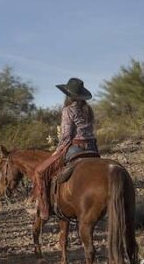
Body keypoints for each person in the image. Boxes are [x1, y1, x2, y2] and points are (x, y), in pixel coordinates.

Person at [35, 77, 98, 220]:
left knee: (39, 171)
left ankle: (44, 210)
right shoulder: (88, 109)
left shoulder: (68, 110)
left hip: (76, 148)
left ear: (69, 95)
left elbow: (66, 136)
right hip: (93, 149)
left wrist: (57, 152)